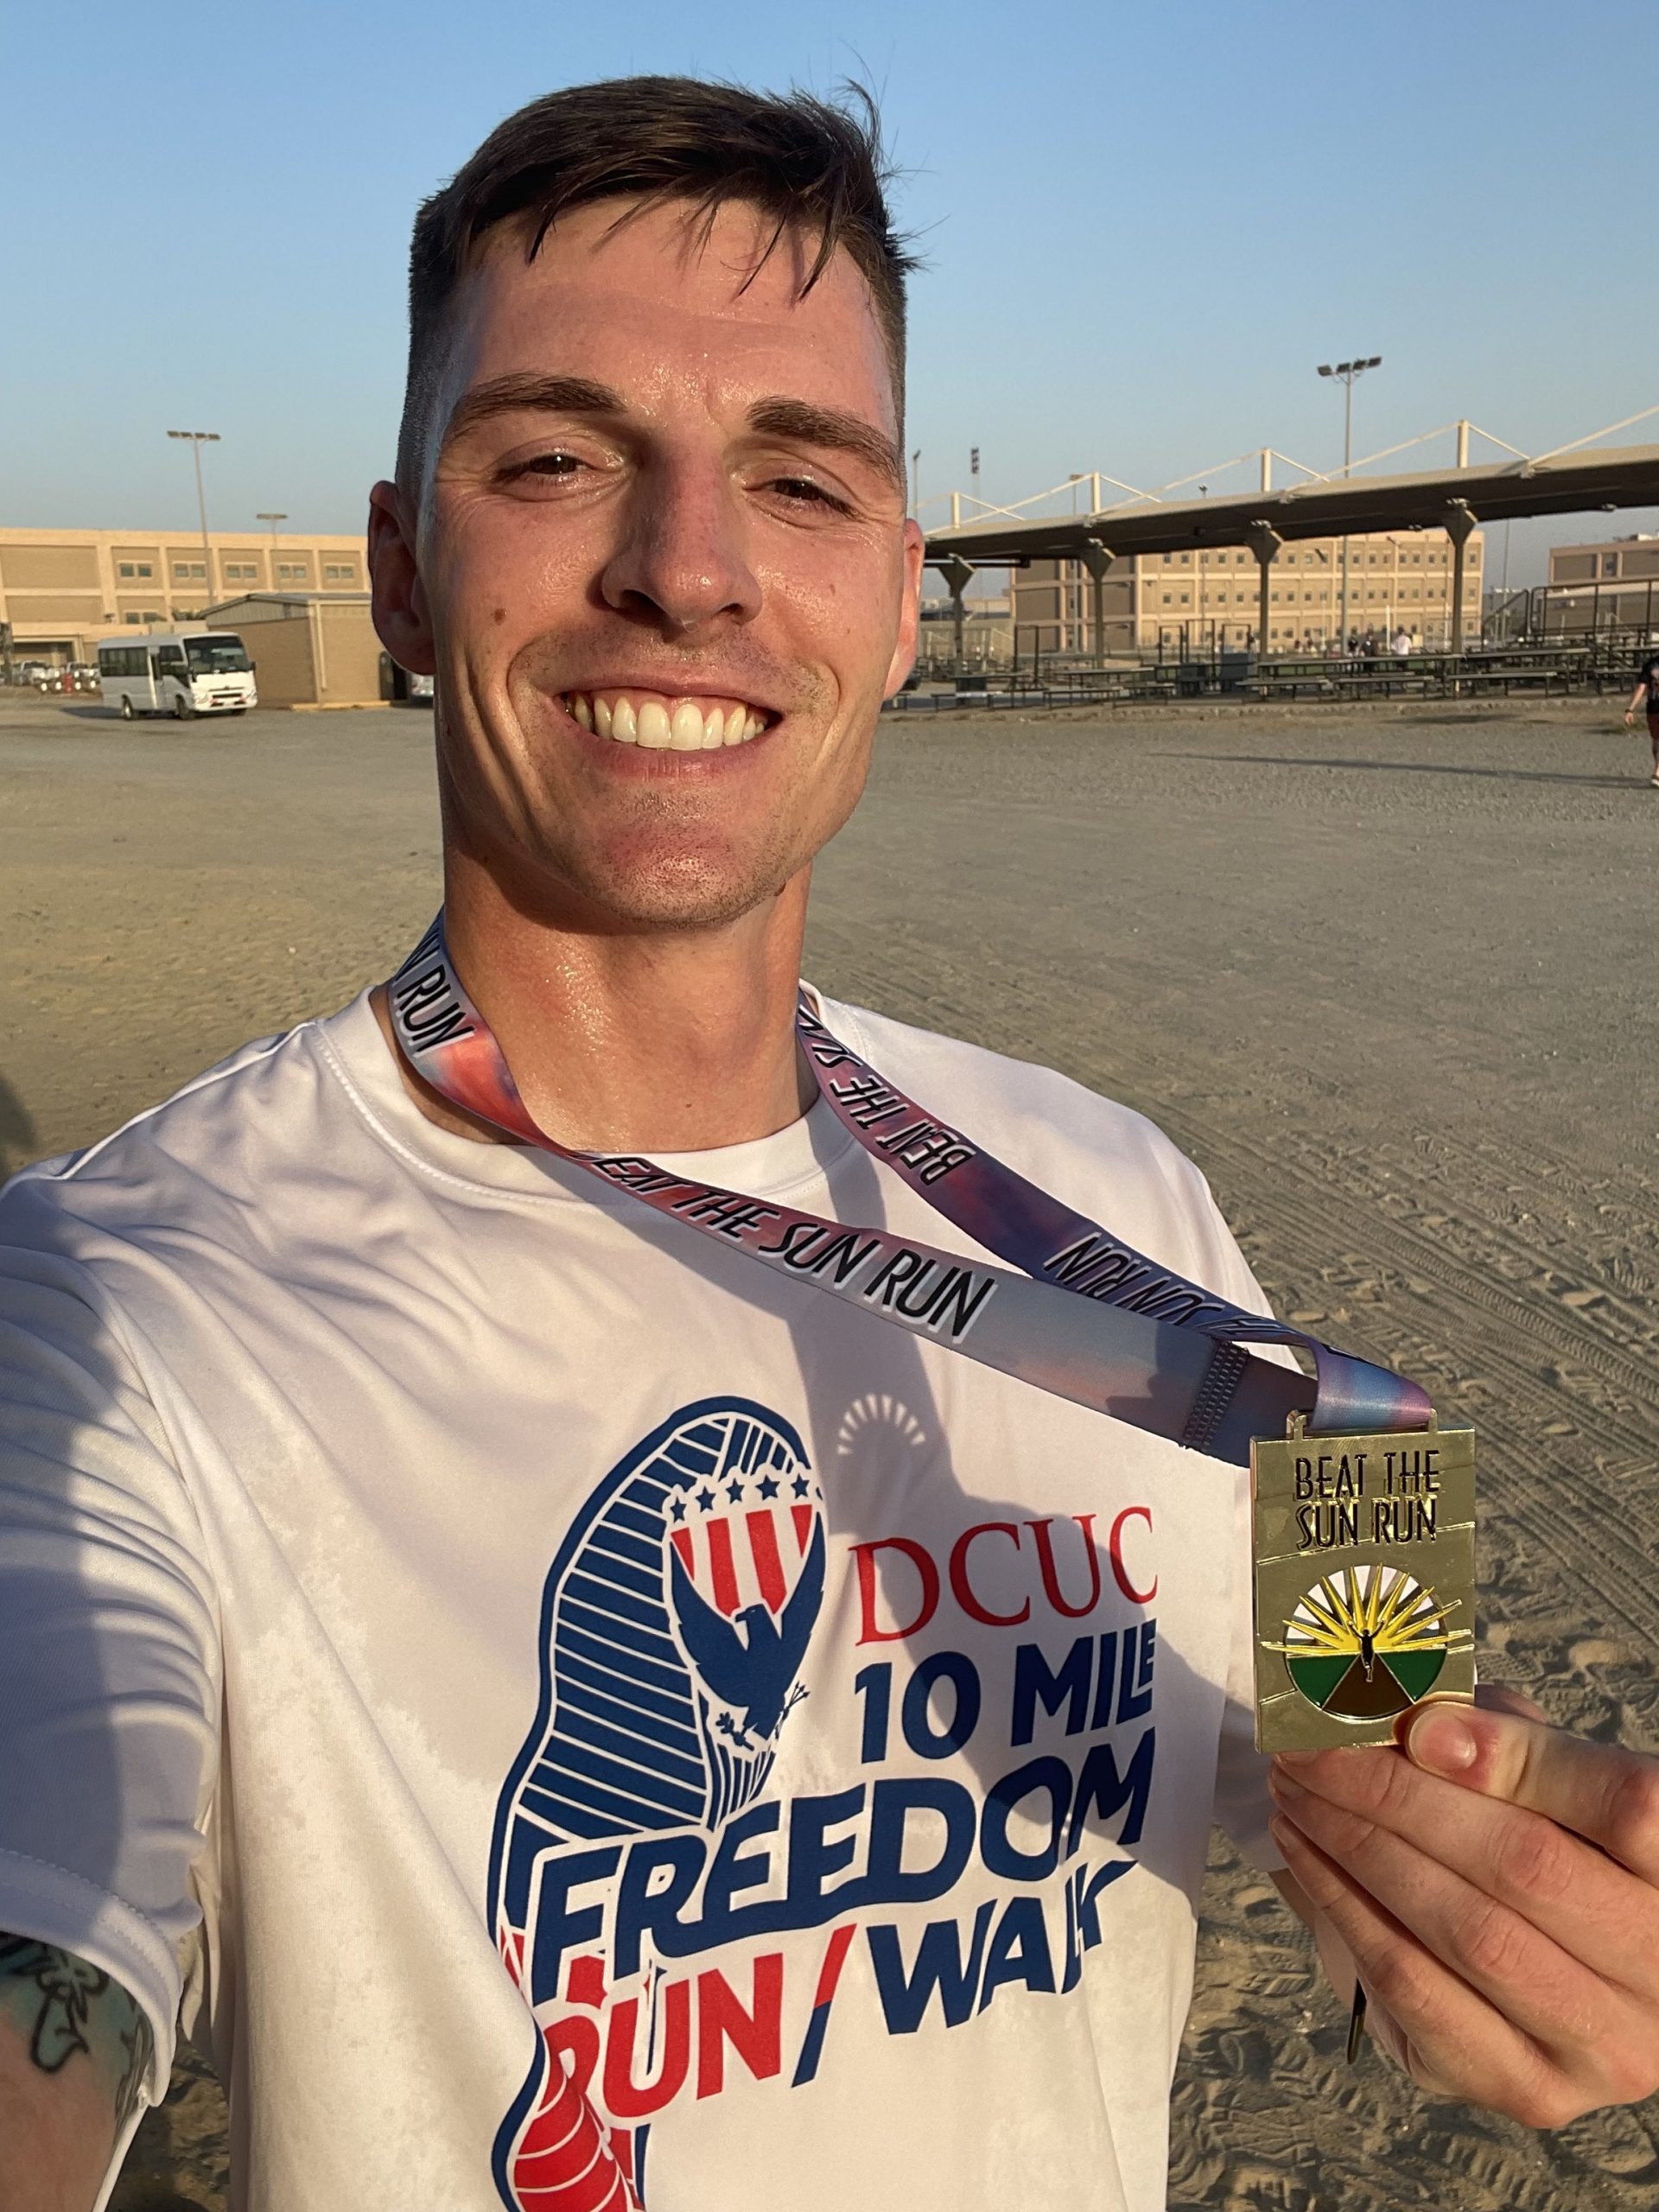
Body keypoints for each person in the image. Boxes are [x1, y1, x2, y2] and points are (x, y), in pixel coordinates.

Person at [3, 78, 1658, 2212]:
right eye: (555, 458)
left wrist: (1492, 1880)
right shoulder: (114, 1317)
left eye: (799, 479)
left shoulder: (1117, 1194)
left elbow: (1351, 1750)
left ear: (895, 601)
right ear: (404, 576)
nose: (688, 568)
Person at [1623, 645, 1659, 785]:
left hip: (1654, 707)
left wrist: (1630, 709)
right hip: (1654, 707)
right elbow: (1641, 687)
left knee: (1657, 739)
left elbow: (1641, 688)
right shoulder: (1651, 664)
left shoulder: (1651, 664)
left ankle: (1657, 771)